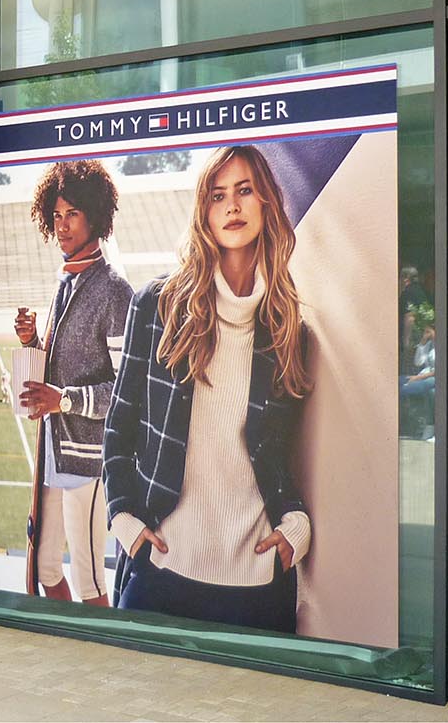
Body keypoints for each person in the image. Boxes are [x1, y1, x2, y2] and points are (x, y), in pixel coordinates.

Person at [103, 145, 312, 632]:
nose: (232, 206)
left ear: (266, 202)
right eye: (218, 196)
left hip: (258, 582)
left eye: (244, 191)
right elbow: (118, 432)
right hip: (163, 568)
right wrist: (124, 521)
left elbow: (279, 454)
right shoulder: (157, 306)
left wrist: (295, 527)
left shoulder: (286, 328)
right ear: (204, 211)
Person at [15, 159, 133, 606]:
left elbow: (124, 391)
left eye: (73, 215)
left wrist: (63, 400)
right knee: (45, 567)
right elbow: (62, 360)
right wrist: (31, 340)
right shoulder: (65, 282)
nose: (63, 226)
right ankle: (68, 643)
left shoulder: (115, 290)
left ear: (95, 217)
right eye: (57, 215)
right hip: (54, 449)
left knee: (90, 581)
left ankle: (101, 660)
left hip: (87, 458)